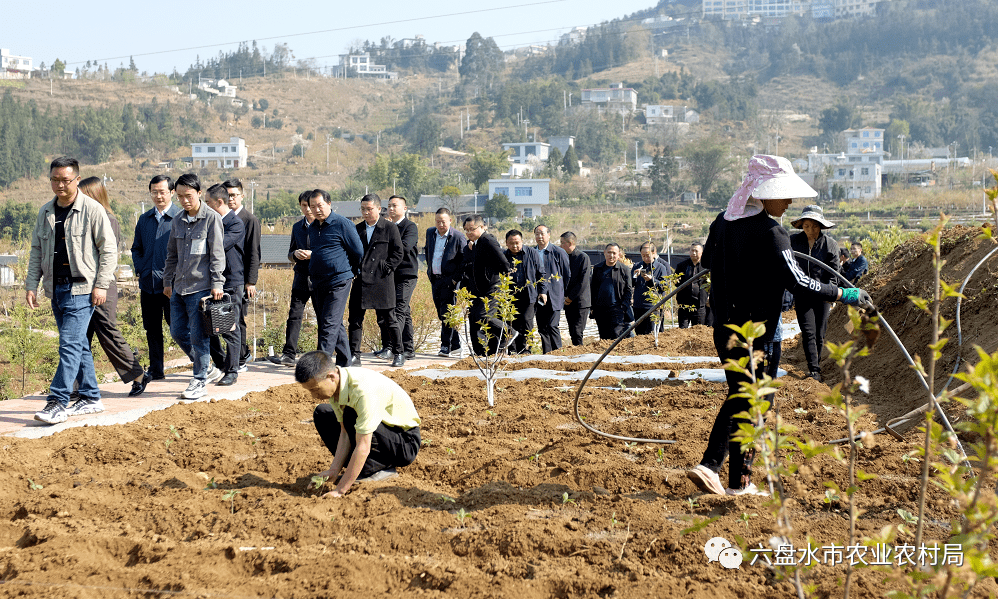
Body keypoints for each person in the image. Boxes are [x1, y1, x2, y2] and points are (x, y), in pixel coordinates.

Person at [687, 155, 872, 497]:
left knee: (750, 397)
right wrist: (844, 293)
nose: (788, 202)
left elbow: (711, 260)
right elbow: (800, 283)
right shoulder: (772, 232)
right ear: (762, 192)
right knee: (750, 397)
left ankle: (739, 482)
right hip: (758, 330)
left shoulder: (723, 221)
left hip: (724, 327)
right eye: (783, 195)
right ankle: (710, 465)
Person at [27, 157, 117, 424]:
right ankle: (90, 397)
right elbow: (36, 251)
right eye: (55, 179)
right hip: (56, 289)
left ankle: (57, 401)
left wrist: (101, 284)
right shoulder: (45, 212)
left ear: (77, 179)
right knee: (78, 345)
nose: (60, 185)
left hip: (83, 289)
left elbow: (109, 250)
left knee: (68, 345)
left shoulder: (92, 210)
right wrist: (31, 284)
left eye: (65, 180)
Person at [297, 351, 421, 497]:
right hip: (383, 433)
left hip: (405, 442)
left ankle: (377, 470)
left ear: (331, 376)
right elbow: (344, 433)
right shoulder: (338, 386)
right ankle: (364, 469)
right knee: (322, 412)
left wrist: (339, 490)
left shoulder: (362, 390)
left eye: (315, 389)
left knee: (350, 415)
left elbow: (363, 445)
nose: (313, 396)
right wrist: (334, 470)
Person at [77, 177, 150, 397]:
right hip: (84, 286)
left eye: (82, 194)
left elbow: (106, 257)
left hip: (101, 286)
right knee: (80, 337)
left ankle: (138, 374)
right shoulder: (85, 219)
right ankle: (77, 385)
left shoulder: (108, 220)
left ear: (93, 195)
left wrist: (97, 285)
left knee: (108, 332)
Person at [163, 173, 226, 400]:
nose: (184, 200)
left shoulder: (211, 218)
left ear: (199, 193)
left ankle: (199, 380)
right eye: (179, 196)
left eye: (188, 196)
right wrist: (167, 281)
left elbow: (217, 254)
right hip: (179, 286)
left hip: (201, 287)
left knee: (200, 336)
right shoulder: (178, 220)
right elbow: (171, 254)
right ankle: (207, 366)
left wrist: (217, 283)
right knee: (177, 331)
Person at [131, 174, 182, 381]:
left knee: (178, 328)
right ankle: (156, 369)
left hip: (172, 286)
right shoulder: (144, 220)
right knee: (151, 328)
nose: (158, 196)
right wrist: (142, 269)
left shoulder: (180, 218)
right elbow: (136, 248)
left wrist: (175, 277)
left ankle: (201, 364)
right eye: (154, 192)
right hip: (148, 284)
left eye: (162, 192)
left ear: (172, 193)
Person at [308, 189, 363, 367]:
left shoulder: (343, 224)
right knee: (331, 321)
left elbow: (358, 251)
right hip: (318, 281)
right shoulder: (312, 227)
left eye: (320, 205)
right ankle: (346, 362)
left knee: (329, 323)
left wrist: (349, 271)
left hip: (339, 280)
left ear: (329, 204)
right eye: (313, 206)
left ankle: (320, 366)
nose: (316, 210)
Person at [348, 194, 404, 367]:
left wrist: (385, 267)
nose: (365, 212)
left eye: (369, 209)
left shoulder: (389, 228)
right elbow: (350, 252)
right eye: (363, 209)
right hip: (361, 281)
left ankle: (399, 353)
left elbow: (398, 253)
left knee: (389, 318)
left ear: (379, 209)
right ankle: (354, 355)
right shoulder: (356, 229)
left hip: (382, 280)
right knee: (355, 320)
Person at [790, 204, 841, 382]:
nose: (810, 230)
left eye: (814, 226)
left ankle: (816, 363)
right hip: (802, 294)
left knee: (820, 333)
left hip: (822, 295)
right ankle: (814, 369)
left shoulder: (830, 245)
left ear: (821, 226)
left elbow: (834, 273)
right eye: (806, 226)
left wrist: (831, 295)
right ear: (801, 226)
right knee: (808, 331)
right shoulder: (793, 242)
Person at [205, 184, 245, 386]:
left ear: (219, 202)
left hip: (230, 283)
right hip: (211, 282)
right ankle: (221, 363)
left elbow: (217, 247)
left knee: (230, 327)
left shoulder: (235, 224)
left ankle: (232, 370)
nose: (205, 207)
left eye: (208, 203)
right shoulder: (209, 222)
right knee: (208, 327)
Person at [269, 191, 314, 367]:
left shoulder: (324, 226)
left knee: (324, 317)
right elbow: (290, 253)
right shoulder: (297, 227)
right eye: (304, 205)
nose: (308, 209)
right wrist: (295, 254)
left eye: (310, 205)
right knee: (294, 315)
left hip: (319, 278)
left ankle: (320, 356)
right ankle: (288, 354)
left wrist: (314, 255)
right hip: (301, 276)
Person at [461, 215, 511, 355]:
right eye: (466, 230)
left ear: (482, 227)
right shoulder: (475, 244)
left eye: (472, 229)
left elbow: (504, 262)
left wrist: (498, 281)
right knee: (476, 318)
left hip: (492, 286)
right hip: (479, 289)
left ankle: (508, 332)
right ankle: (483, 351)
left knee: (484, 315)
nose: (469, 232)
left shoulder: (488, 240)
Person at [224, 178, 260, 370]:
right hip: (225, 277)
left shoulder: (249, 219)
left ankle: (240, 357)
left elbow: (254, 252)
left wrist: (251, 281)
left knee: (238, 319)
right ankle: (241, 354)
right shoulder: (220, 218)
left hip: (241, 278)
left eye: (234, 195)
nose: (231, 199)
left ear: (242, 196)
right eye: (227, 195)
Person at [377, 195, 418, 361]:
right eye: (389, 206)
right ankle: (408, 349)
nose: (391, 209)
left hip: (406, 275)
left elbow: (406, 247)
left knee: (398, 311)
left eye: (395, 205)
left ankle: (392, 348)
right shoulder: (385, 226)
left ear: (405, 208)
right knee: (403, 312)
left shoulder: (410, 226)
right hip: (389, 275)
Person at [424, 208, 466, 357]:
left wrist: (455, 279)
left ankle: (445, 346)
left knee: (447, 313)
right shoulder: (430, 233)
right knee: (442, 314)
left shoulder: (458, 237)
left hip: (450, 281)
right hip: (435, 279)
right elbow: (428, 252)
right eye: (438, 221)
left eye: (443, 221)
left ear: (450, 221)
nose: (440, 224)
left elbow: (464, 261)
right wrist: (430, 271)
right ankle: (456, 345)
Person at [504, 229, 544, 354]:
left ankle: (526, 350)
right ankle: (512, 350)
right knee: (511, 323)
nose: (515, 246)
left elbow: (541, 273)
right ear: (506, 243)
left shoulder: (531, 253)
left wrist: (543, 292)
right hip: (510, 296)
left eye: (517, 242)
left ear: (522, 241)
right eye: (511, 243)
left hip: (528, 295)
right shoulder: (504, 256)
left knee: (527, 322)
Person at [533, 225, 571, 353]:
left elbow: (567, 275)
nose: (539, 237)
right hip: (538, 295)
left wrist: (561, 291)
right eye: (537, 234)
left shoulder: (558, 252)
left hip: (554, 295)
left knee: (553, 325)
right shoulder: (532, 252)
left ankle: (558, 353)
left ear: (549, 235)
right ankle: (547, 354)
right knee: (542, 327)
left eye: (542, 233)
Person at [590, 244, 633, 340]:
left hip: (617, 309)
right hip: (600, 310)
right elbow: (593, 288)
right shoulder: (598, 269)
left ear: (618, 255)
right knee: (604, 337)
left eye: (614, 253)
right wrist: (593, 307)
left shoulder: (624, 269)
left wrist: (623, 307)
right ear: (604, 253)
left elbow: (628, 290)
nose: (611, 255)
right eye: (609, 252)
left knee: (615, 336)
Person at [631, 241, 672, 336]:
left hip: (654, 307)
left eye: (648, 255)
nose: (645, 258)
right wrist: (634, 276)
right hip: (638, 306)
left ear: (654, 253)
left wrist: (652, 280)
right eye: (643, 255)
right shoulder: (637, 266)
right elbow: (630, 284)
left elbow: (664, 286)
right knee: (640, 334)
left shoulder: (661, 267)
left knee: (653, 334)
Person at [559, 231, 591, 346]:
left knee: (577, 332)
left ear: (571, 243)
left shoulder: (583, 257)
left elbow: (583, 282)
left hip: (580, 302)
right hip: (568, 301)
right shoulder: (564, 257)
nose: (560, 245)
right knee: (572, 332)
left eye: (562, 243)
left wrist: (570, 297)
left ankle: (580, 355)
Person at [675, 242, 709, 328]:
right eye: (692, 250)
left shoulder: (707, 267)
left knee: (698, 331)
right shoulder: (682, 266)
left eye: (696, 251)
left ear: (702, 253)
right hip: (684, 305)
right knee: (682, 330)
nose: (693, 253)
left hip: (699, 305)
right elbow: (676, 283)